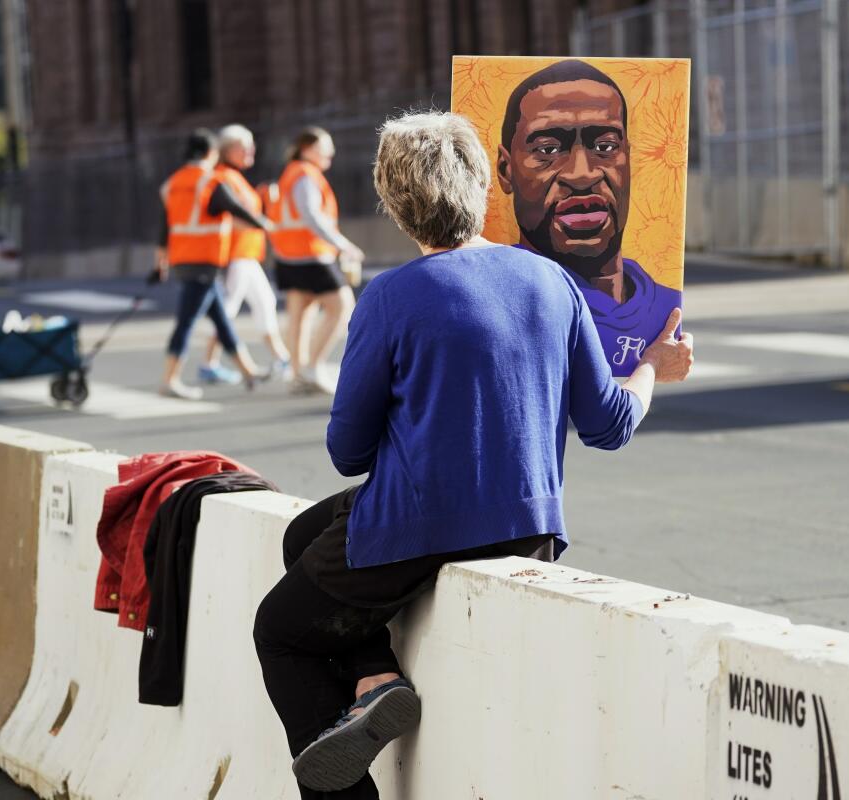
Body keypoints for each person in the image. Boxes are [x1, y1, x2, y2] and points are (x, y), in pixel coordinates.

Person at [253, 111, 693, 799]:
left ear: (395, 203)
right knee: (301, 534)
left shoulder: (391, 297)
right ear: (484, 186)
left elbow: (346, 451)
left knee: (280, 631)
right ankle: (374, 677)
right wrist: (651, 371)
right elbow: (608, 425)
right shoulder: (553, 281)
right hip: (531, 531)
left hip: (417, 531)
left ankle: (356, 752)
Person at [496, 59, 683, 374]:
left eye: (606, 146)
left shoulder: (666, 310)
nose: (581, 175)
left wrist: (662, 364)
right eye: (548, 150)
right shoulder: (492, 307)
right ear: (506, 169)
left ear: (628, 160)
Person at [158, 128, 273, 400]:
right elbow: (238, 209)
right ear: (211, 153)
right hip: (205, 260)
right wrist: (267, 225)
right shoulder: (210, 181)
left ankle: (248, 370)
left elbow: (165, 225)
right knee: (186, 322)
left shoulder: (173, 182)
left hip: (182, 258)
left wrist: (159, 260)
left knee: (221, 319)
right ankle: (169, 379)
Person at [269, 127, 365, 395]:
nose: (330, 154)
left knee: (301, 313)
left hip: (288, 254)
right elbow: (312, 215)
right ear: (308, 149)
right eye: (325, 148)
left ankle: (298, 372)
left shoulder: (291, 172)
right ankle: (312, 366)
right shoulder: (305, 175)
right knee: (341, 306)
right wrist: (343, 245)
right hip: (311, 254)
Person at [198, 124, 292, 385]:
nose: (252, 149)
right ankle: (209, 363)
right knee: (226, 310)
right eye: (245, 145)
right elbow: (229, 215)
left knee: (264, 303)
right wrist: (261, 222)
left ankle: (281, 357)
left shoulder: (235, 177)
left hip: (247, 253)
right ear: (229, 149)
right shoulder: (223, 177)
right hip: (234, 254)